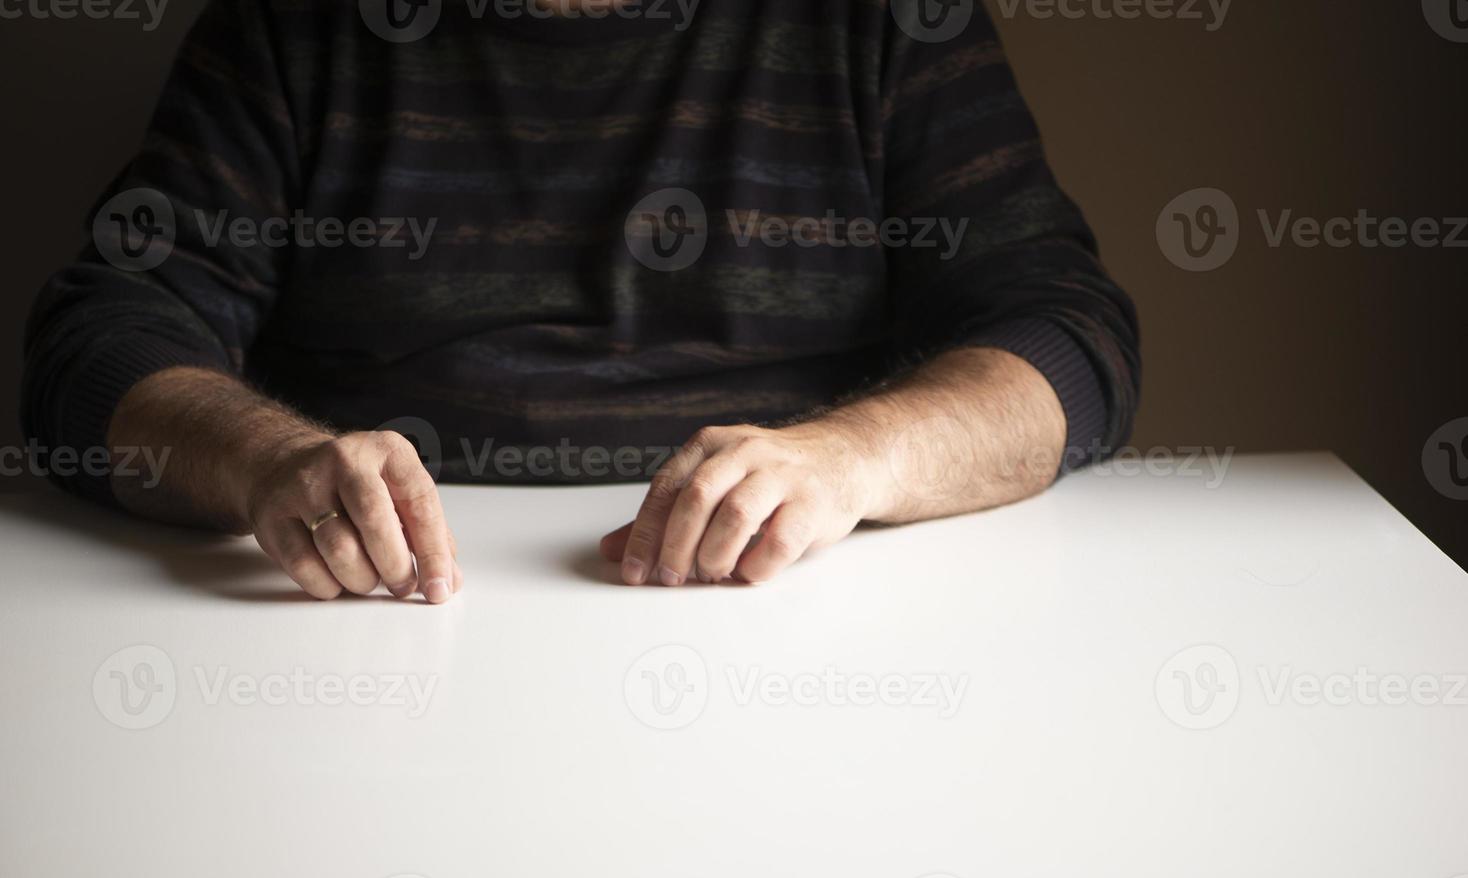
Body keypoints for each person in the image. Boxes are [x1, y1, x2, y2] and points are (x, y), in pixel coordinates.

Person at [21, 0, 1140, 602]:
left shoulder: (883, 19)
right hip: (367, 628)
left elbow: (1068, 336)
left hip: (789, 626)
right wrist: (270, 462)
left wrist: (851, 461)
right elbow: (98, 341)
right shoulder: (291, 26)